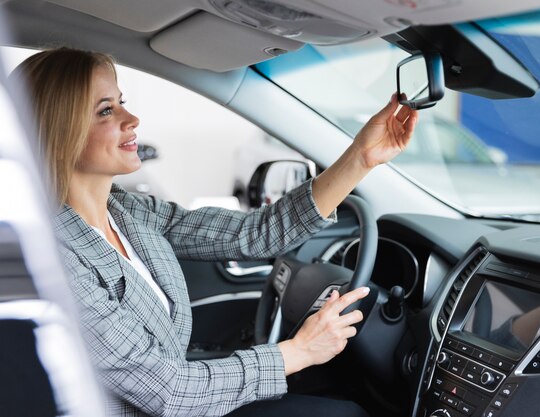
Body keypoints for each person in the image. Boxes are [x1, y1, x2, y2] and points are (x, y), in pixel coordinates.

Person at [10, 47, 418, 417]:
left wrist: (361, 158)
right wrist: (296, 352)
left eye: (122, 103)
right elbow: (169, 392)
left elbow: (254, 234)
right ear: (57, 134)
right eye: (105, 111)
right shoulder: (55, 259)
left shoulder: (127, 211)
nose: (132, 119)